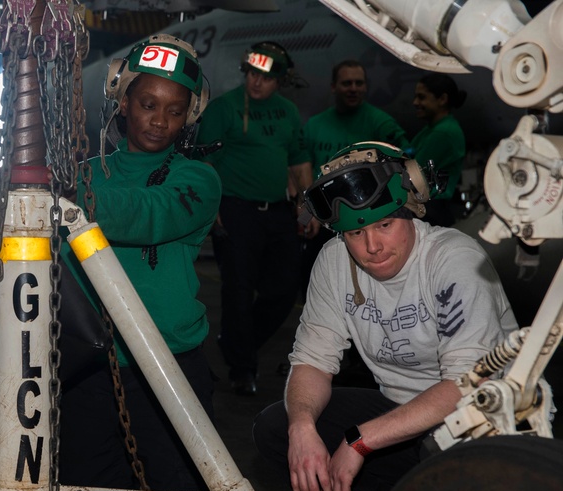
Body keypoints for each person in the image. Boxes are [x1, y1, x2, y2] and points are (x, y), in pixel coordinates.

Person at [252, 142, 516, 491]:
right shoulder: (334, 263)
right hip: (401, 414)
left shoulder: (454, 260)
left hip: (485, 419)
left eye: (386, 225)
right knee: (278, 427)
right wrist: (302, 428)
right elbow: (313, 362)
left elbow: (464, 386)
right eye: (355, 233)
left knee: (438, 447)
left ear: (410, 211)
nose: (372, 246)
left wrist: (360, 441)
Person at [59, 34, 221, 491]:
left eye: (175, 111)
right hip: (89, 365)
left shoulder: (198, 179)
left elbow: (147, 215)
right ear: (123, 102)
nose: (160, 121)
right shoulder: (84, 174)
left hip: (169, 361)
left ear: (189, 117)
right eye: (149, 104)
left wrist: (65, 192)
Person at [196, 41, 312, 395]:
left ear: (279, 80)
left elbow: (299, 161)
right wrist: (212, 212)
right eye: (252, 75)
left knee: (284, 287)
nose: (256, 83)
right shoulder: (224, 109)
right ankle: (242, 368)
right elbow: (204, 164)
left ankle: (235, 342)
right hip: (236, 210)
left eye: (265, 77)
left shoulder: (288, 112)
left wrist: (308, 207)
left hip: (277, 211)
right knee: (239, 290)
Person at [299, 60, 408, 298]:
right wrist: (307, 210)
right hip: (326, 220)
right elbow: (302, 167)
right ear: (333, 87)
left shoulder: (381, 124)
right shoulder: (315, 126)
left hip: (369, 222)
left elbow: (406, 162)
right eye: (346, 83)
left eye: (359, 83)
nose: (353, 88)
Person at [409, 73, 467, 227]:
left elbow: (412, 172)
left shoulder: (443, 133)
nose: (415, 102)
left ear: (442, 99)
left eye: (422, 97)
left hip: (434, 210)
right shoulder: (433, 129)